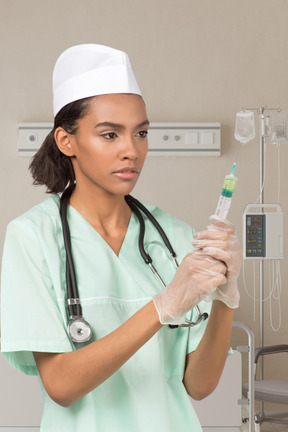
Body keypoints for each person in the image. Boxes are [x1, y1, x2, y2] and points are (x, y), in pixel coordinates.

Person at [0, 44, 241, 432]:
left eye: (141, 133)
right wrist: (162, 307)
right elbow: (61, 384)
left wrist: (227, 298)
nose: (132, 150)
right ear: (67, 141)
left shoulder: (175, 237)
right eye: (110, 134)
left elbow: (199, 385)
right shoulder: (33, 237)